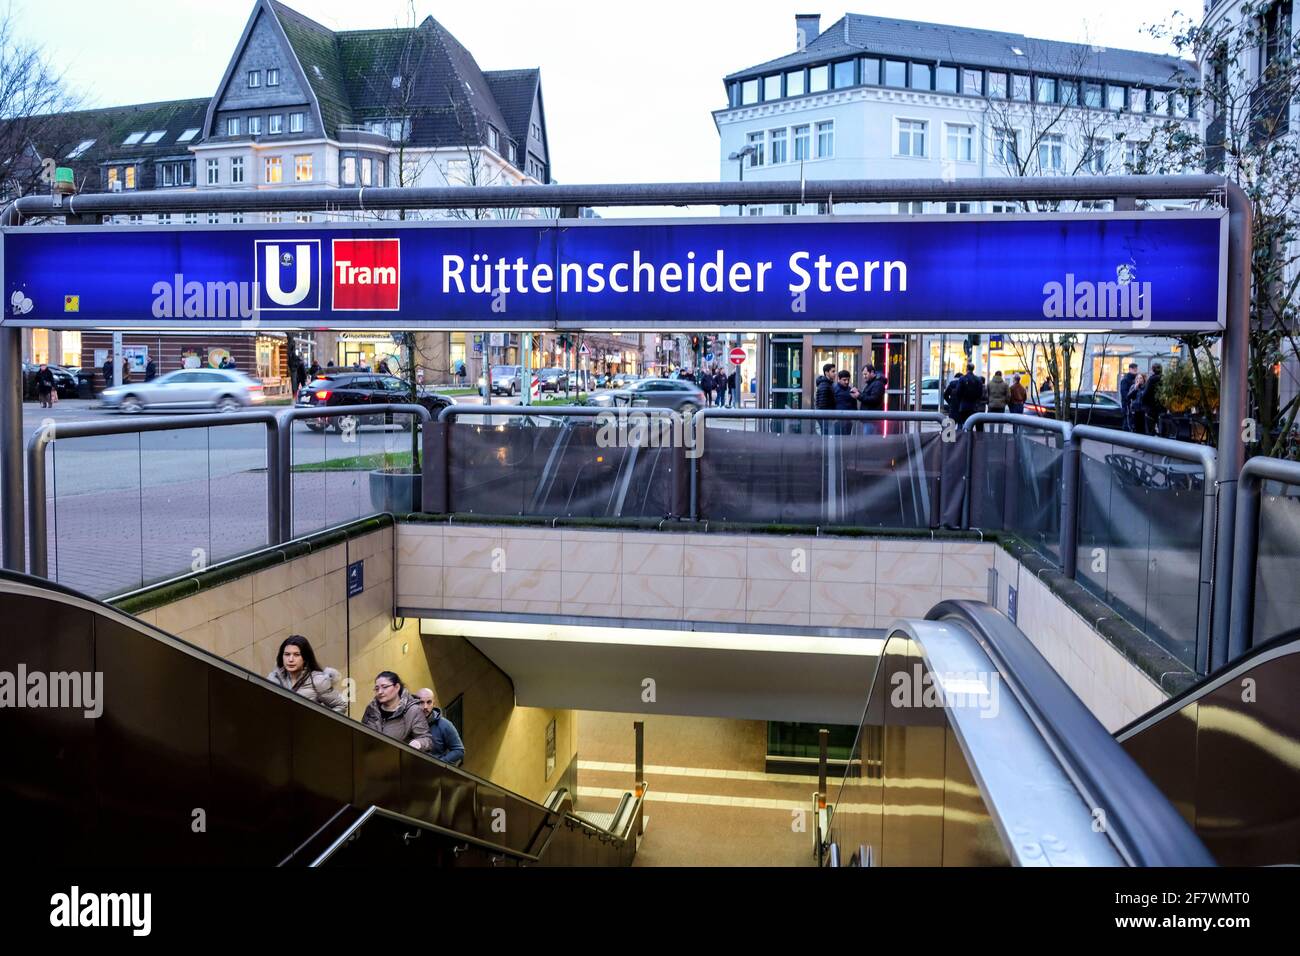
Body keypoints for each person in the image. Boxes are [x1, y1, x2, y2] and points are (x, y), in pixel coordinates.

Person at [266, 636, 348, 714]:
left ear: (305, 658)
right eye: (287, 654)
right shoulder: (274, 679)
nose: (290, 659)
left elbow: (341, 706)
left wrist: (318, 723)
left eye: (296, 655)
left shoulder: (318, 681)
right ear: (282, 656)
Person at [362, 671, 433, 752]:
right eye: (377, 688)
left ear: (397, 687)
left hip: (399, 760)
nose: (380, 692)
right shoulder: (371, 709)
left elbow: (426, 739)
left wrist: (418, 743)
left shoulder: (413, 710)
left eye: (384, 687)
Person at [415, 689, 465, 765]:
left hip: (434, 771)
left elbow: (459, 750)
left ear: (434, 704)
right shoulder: (409, 721)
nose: (425, 707)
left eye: (429, 702)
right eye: (421, 702)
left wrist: (440, 763)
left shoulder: (444, 725)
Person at [1139, 363, 1164, 435]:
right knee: (1161, 428)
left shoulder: (1151, 379)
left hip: (1150, 407)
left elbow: (1146, 393)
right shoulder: (1163, 378)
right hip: (1161, 407)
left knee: (1150, 429)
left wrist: (1143, 401)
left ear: (1153, 370)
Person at [1118, 362, 1139, 431]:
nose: (1136, 370)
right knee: (1127, 424)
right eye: (1134, 369)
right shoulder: (1125, 380)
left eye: (1136, 369)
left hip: (1133, 406)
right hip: (1127, 406)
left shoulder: (1136, 379)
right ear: (1130, 369)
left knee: (1131, 424)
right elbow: (1125, 395)